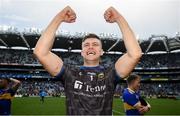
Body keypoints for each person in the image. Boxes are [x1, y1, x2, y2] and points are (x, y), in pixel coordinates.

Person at [34, 6, 142, 115]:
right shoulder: (69, 73)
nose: (90, 47)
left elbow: (135, 54)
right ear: (82, 52)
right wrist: (59, 18)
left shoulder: (110, 73)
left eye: (95, 44)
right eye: (86, 45)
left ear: (101, 52)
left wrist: (119, 18)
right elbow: (40, 52)